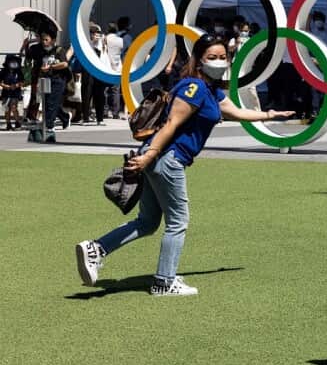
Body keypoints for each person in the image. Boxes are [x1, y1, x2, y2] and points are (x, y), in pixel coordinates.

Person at [75, 34, 297, 296]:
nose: (218, 62)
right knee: (178, 221)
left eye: (222, 57)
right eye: (211, 57)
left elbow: (236, 112)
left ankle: (96, 249)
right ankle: (164, 281)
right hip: (167, 158)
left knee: (147, 222)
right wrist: (149, 155)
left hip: (159, 158)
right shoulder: (194, 88)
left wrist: (270, 114)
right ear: (199, 60)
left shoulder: (211, 91)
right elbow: (171, 125)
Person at [37, 32, 72, 133]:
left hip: (58, 80)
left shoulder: (59, 50)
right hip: (47, 79)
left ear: (53, 40)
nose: (44, 42)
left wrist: (51, 66)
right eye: (43, 40)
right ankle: (65, 117)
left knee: (52, 102)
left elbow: (65, 64)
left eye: (46, 40)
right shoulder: (43, 52)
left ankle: (49, 125)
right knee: (48, 103)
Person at [2, 53, 22, 130]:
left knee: (14, 107)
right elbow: (0, 82)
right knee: (7, 109)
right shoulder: (4, 71)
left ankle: (17, 122)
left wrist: (16, 85)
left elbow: (22, 81)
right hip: (6, 92)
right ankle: (8, 124)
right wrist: (5, 86)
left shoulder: (18, 71)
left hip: (15, 92)